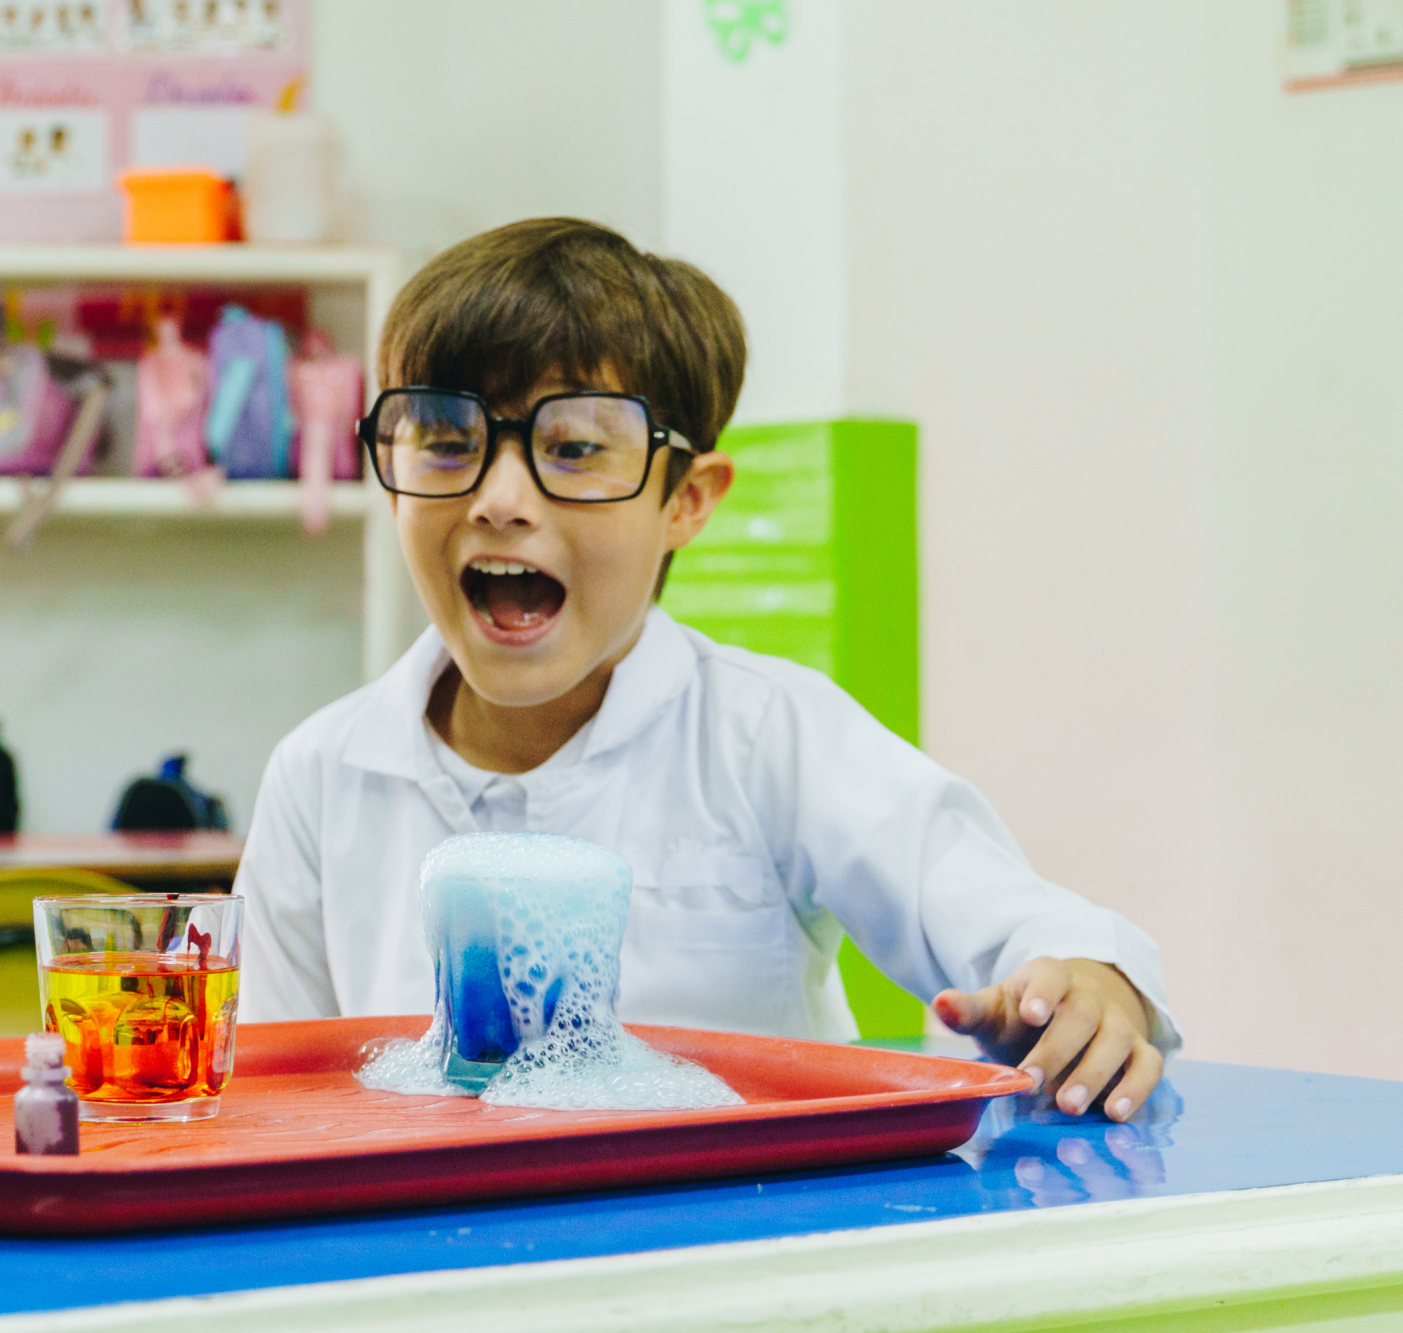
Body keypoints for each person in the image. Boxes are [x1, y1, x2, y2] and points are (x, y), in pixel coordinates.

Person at [236, 219, 1178, 1122]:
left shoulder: (769, 735)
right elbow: (266, 1085)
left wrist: (1086, 982)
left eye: (574, 447)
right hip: (426, 1226)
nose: (500, 498)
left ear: (686, 499)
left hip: (740, 1227)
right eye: (447, 441)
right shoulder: (321, 773)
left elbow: (1012, 919)